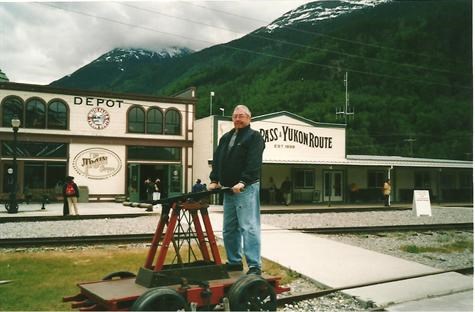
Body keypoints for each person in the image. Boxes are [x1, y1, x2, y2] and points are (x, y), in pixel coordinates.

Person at [208, 104, 265, 275]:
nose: (238, 119)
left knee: (248, 227)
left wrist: (244, 181)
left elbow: (254, 162)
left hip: (245, 189)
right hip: (228, 190)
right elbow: (218, 159)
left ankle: (254, 265)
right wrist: (214, 179)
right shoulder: (225, 137)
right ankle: (234, 261)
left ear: (249, 118)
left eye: (241, 116)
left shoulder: (254, 137)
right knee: (229, 228)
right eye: (235, 116)